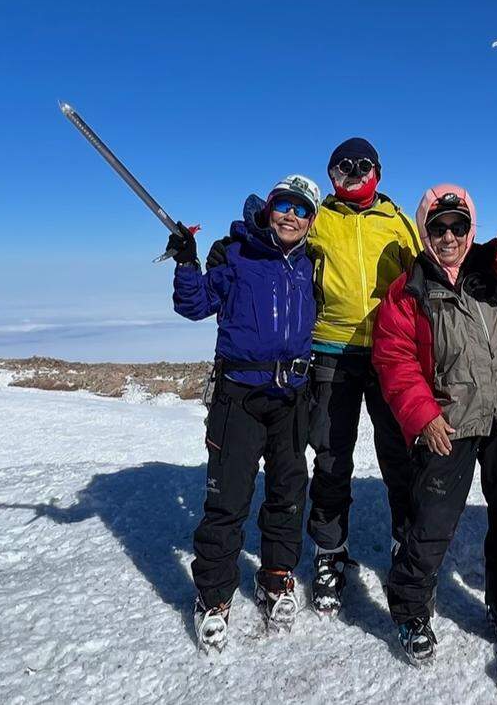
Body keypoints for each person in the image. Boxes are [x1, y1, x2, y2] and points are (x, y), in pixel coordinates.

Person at [207, 137, 422, 615]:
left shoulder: (399, 221)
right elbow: (272, 243)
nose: (351, 173)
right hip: (329, 352)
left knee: (398, 455)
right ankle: (330, 552)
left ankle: (405, 543)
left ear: (377, 171)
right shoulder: (318, 216)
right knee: (330, 455)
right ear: (330, 175)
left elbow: (423, 275)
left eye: (361, 166)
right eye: (340, 167)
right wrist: (232, 245)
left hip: (390, 350)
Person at [371, 184, 497, 665]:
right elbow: (394, 359)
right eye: (438, 227)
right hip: (448, 423)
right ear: (425, 231)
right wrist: (424, 416)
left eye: (458, 226)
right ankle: (411, 610)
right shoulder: (409, 289)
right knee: (432, 521)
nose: (449, 236)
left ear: (471, 228)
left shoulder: (495, 269)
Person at [169, 174, 321, 652]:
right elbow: (193, 306)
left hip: (292, 396)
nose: (290, 215)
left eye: (300, 209)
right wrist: (187, 262)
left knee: (288, 494)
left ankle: (276, 577)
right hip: (239, 396)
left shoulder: (311, 264)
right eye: (283, 205)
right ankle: (213, 597)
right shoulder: (236, 256)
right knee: (227, 499)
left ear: (311, 220)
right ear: (268, 209)